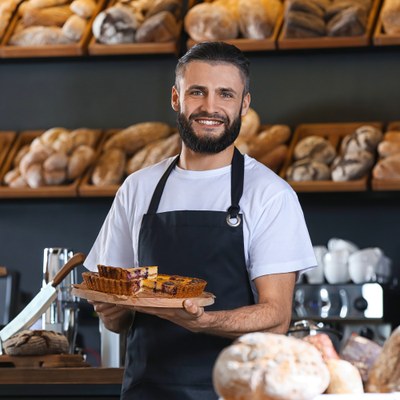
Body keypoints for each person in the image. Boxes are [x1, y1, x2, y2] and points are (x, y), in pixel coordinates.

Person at [84, 41, 317, 400]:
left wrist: (203, 322)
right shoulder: (138, 188)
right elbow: (117, 317)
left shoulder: (270, 194)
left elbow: (276, 317)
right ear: (176, 98)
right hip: (147, 392)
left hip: (234, 393)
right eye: (197, 92)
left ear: (244, 104)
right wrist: (109, 309)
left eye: (225, 94)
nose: (210, 107)